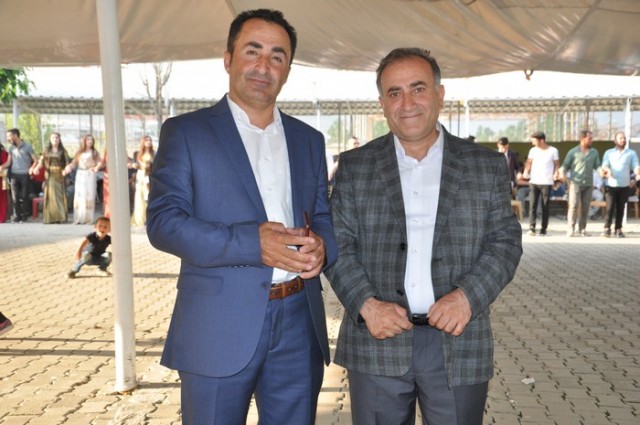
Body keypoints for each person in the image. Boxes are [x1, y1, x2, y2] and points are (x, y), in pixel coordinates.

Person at [146, 9, 338, 425]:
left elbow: (322, 216)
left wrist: (323, 247)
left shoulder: (309, 139)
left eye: (277, 56)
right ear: (228, 59)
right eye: (253, 51)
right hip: (217, 326)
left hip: (299, 324)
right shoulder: (187, 132)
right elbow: (164, 222)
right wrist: (253, 243)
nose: (263, 66)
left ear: (288, 69)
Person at [325, 47, 522, 425]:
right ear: (382, 104)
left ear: (439, 94)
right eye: (394, 92)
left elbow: (505, 243)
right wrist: (367, 305)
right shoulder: (355, 166)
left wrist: (467, 297)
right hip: (377, 338)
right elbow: (338, 243)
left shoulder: (484, 166)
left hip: (458, 339)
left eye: (418, 88)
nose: (408, 103)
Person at [559, 130, 601, 237]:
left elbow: (597, 165)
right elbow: (565, 165)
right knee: (573, 206)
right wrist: (562, 173)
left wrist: (602, 171)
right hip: (575, 183)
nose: (591, 140)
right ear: (582, 138)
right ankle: (571, 229)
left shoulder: (594, 152)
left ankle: (582, 229)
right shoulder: (573, 152)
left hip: (588, 184)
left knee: (585, 207)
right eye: (589, 138)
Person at [600, 131, 640, 237]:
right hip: (611, 185)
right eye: (621, 138)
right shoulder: (609, 153)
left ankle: (618, 229)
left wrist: (637, 172)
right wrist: (607, 170)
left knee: (621, 208)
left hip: (624, 185)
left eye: (624, 138)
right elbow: (604, 165)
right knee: (610, 207)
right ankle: (607, 228)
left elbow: (636, 165)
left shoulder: (631, 153)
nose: (623, 140)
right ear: (615, 141)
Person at [522, 131, 559, 236]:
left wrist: (556, 173)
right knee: (532, 205)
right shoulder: (533, 150)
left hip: (546, 182)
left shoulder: (553, 151)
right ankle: (532, 227)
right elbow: (529, 162)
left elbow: (556, 164)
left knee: (545, 205)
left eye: (534, 141)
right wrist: (526, 171)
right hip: (534, 181)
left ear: (541, 140)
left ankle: (543, 228)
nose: (533, 143)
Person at [32, 133, 69, 223]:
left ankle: (60, 217)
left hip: (60, 174)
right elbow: (41, 162)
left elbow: (67, 163)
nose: (55, 139)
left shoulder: (63, 151)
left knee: (59, 195)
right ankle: (51, 217)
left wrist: (66, 170)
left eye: (57, 137)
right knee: (51, 195)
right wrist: (36, 168)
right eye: (53, 137)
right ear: (50, 139)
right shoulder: (46, 150)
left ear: (59, 139)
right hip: (50, 174)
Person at [63, 135, 101, 224]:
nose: (90, 141)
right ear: (84, 141)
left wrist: (96, 168)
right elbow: (74, 163)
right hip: (80, 174)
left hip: (90, 174)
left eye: (91, 140)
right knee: (80, 194)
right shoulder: (79, 152)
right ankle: (79, 217)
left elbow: (100, 162)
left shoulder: (94, 152)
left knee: (89, 194)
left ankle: (88, 218)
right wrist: (68, 168)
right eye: (88, 140)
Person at [6, 128, 38, 223]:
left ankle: (24, 215)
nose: (8, 138)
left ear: (15, 135)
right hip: (14, 175)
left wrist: (32, 168)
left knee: (24, 196)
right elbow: (8, 162)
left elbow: (36, 160)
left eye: (9, 136)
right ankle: (17, 216)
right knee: (14, 197)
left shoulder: (28, 146)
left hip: (25, 174)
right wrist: (2, 166)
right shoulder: (11, 148)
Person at [130, 135, 154, 226]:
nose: (149, 142)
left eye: (150, 140)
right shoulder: (138, 154)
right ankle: (140, 219)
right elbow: (133, 164)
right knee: (139, 196)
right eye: (147, 140)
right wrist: (134, 165)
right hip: (140, 176)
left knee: (148, 196)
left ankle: (148, 218)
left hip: (149, 175)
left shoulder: (154, 153)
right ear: (143, 142)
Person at [0, 143, 10, 223]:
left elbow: (6, 164)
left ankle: (2, 217)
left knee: (2, 199)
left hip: (1, 178)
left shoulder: (4, 154)